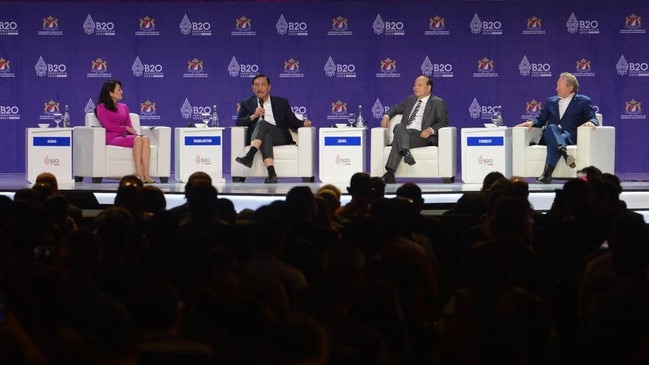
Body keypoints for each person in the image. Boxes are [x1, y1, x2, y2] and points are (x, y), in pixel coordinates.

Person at [518, 72, 598, 184]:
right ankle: (564, 152)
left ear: (570, 87)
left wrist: (591, 122)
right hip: (549, 134)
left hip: (568, 136)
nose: (556, 88)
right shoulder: (551, 101)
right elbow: (541, 120)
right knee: (551, 127)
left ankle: (547, 174)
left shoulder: (584, 101)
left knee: (553, 139)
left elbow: (594, 119)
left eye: (559, 86)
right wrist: (532, 122)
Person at [234, 74, 312, 183]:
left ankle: (250, 155)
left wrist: (303, 124)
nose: (259, 88)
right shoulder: (246, 103)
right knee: (265, 135)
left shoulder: (281, 102)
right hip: (258, 136)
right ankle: (271, 174)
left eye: (263, 85)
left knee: (262, 124)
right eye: (256, 85)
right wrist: (254, 116)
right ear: (253, 88)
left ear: (268, 87)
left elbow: (291, 121)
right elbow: (239, 122)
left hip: (279, 136)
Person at [379, 75, 449, 184]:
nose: (416, 87)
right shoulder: (410, 99)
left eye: (419, 85)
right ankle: (404, 154)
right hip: (405, 133)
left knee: (399, 134)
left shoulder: (438, 103)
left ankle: (390, 172)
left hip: (422, 136)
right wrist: (386, 116)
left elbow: (443, 122)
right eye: (415, 85)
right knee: (399, 127)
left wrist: (430, 130)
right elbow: (395, 108)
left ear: (428, 88)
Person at [95, 79, 155, 183]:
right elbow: (107, 126)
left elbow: (129, 125)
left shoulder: (124, 107)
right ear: (110, 93)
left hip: (124, 135)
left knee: (144, 138)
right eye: (119, 89)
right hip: (112, 137)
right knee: (138, 139)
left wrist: (135, 133)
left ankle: (146, 173)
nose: (121, 91)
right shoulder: (101, 107)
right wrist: (125, 129)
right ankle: (138, 172)